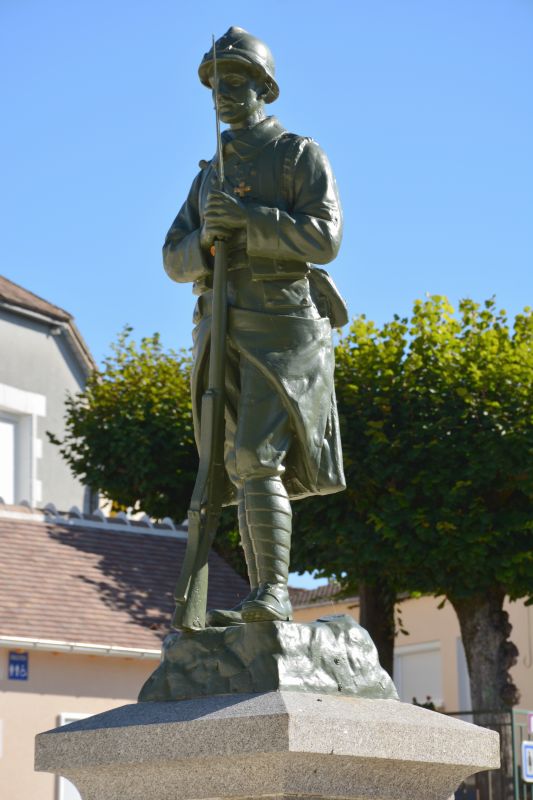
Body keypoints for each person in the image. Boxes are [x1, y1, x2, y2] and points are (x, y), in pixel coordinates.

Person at [163, 27, 346, 625]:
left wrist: (250, 220)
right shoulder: (208, 173)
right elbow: (172, 255)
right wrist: (208, 242)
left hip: (283, 327)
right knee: (237, 466)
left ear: (265, 88)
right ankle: (260, 596)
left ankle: (274, 595)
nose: (223, 94)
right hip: (221, 329)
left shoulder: (298, 155)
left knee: (254, 457)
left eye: (236, 82)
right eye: (216, 84)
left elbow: (325, 237)